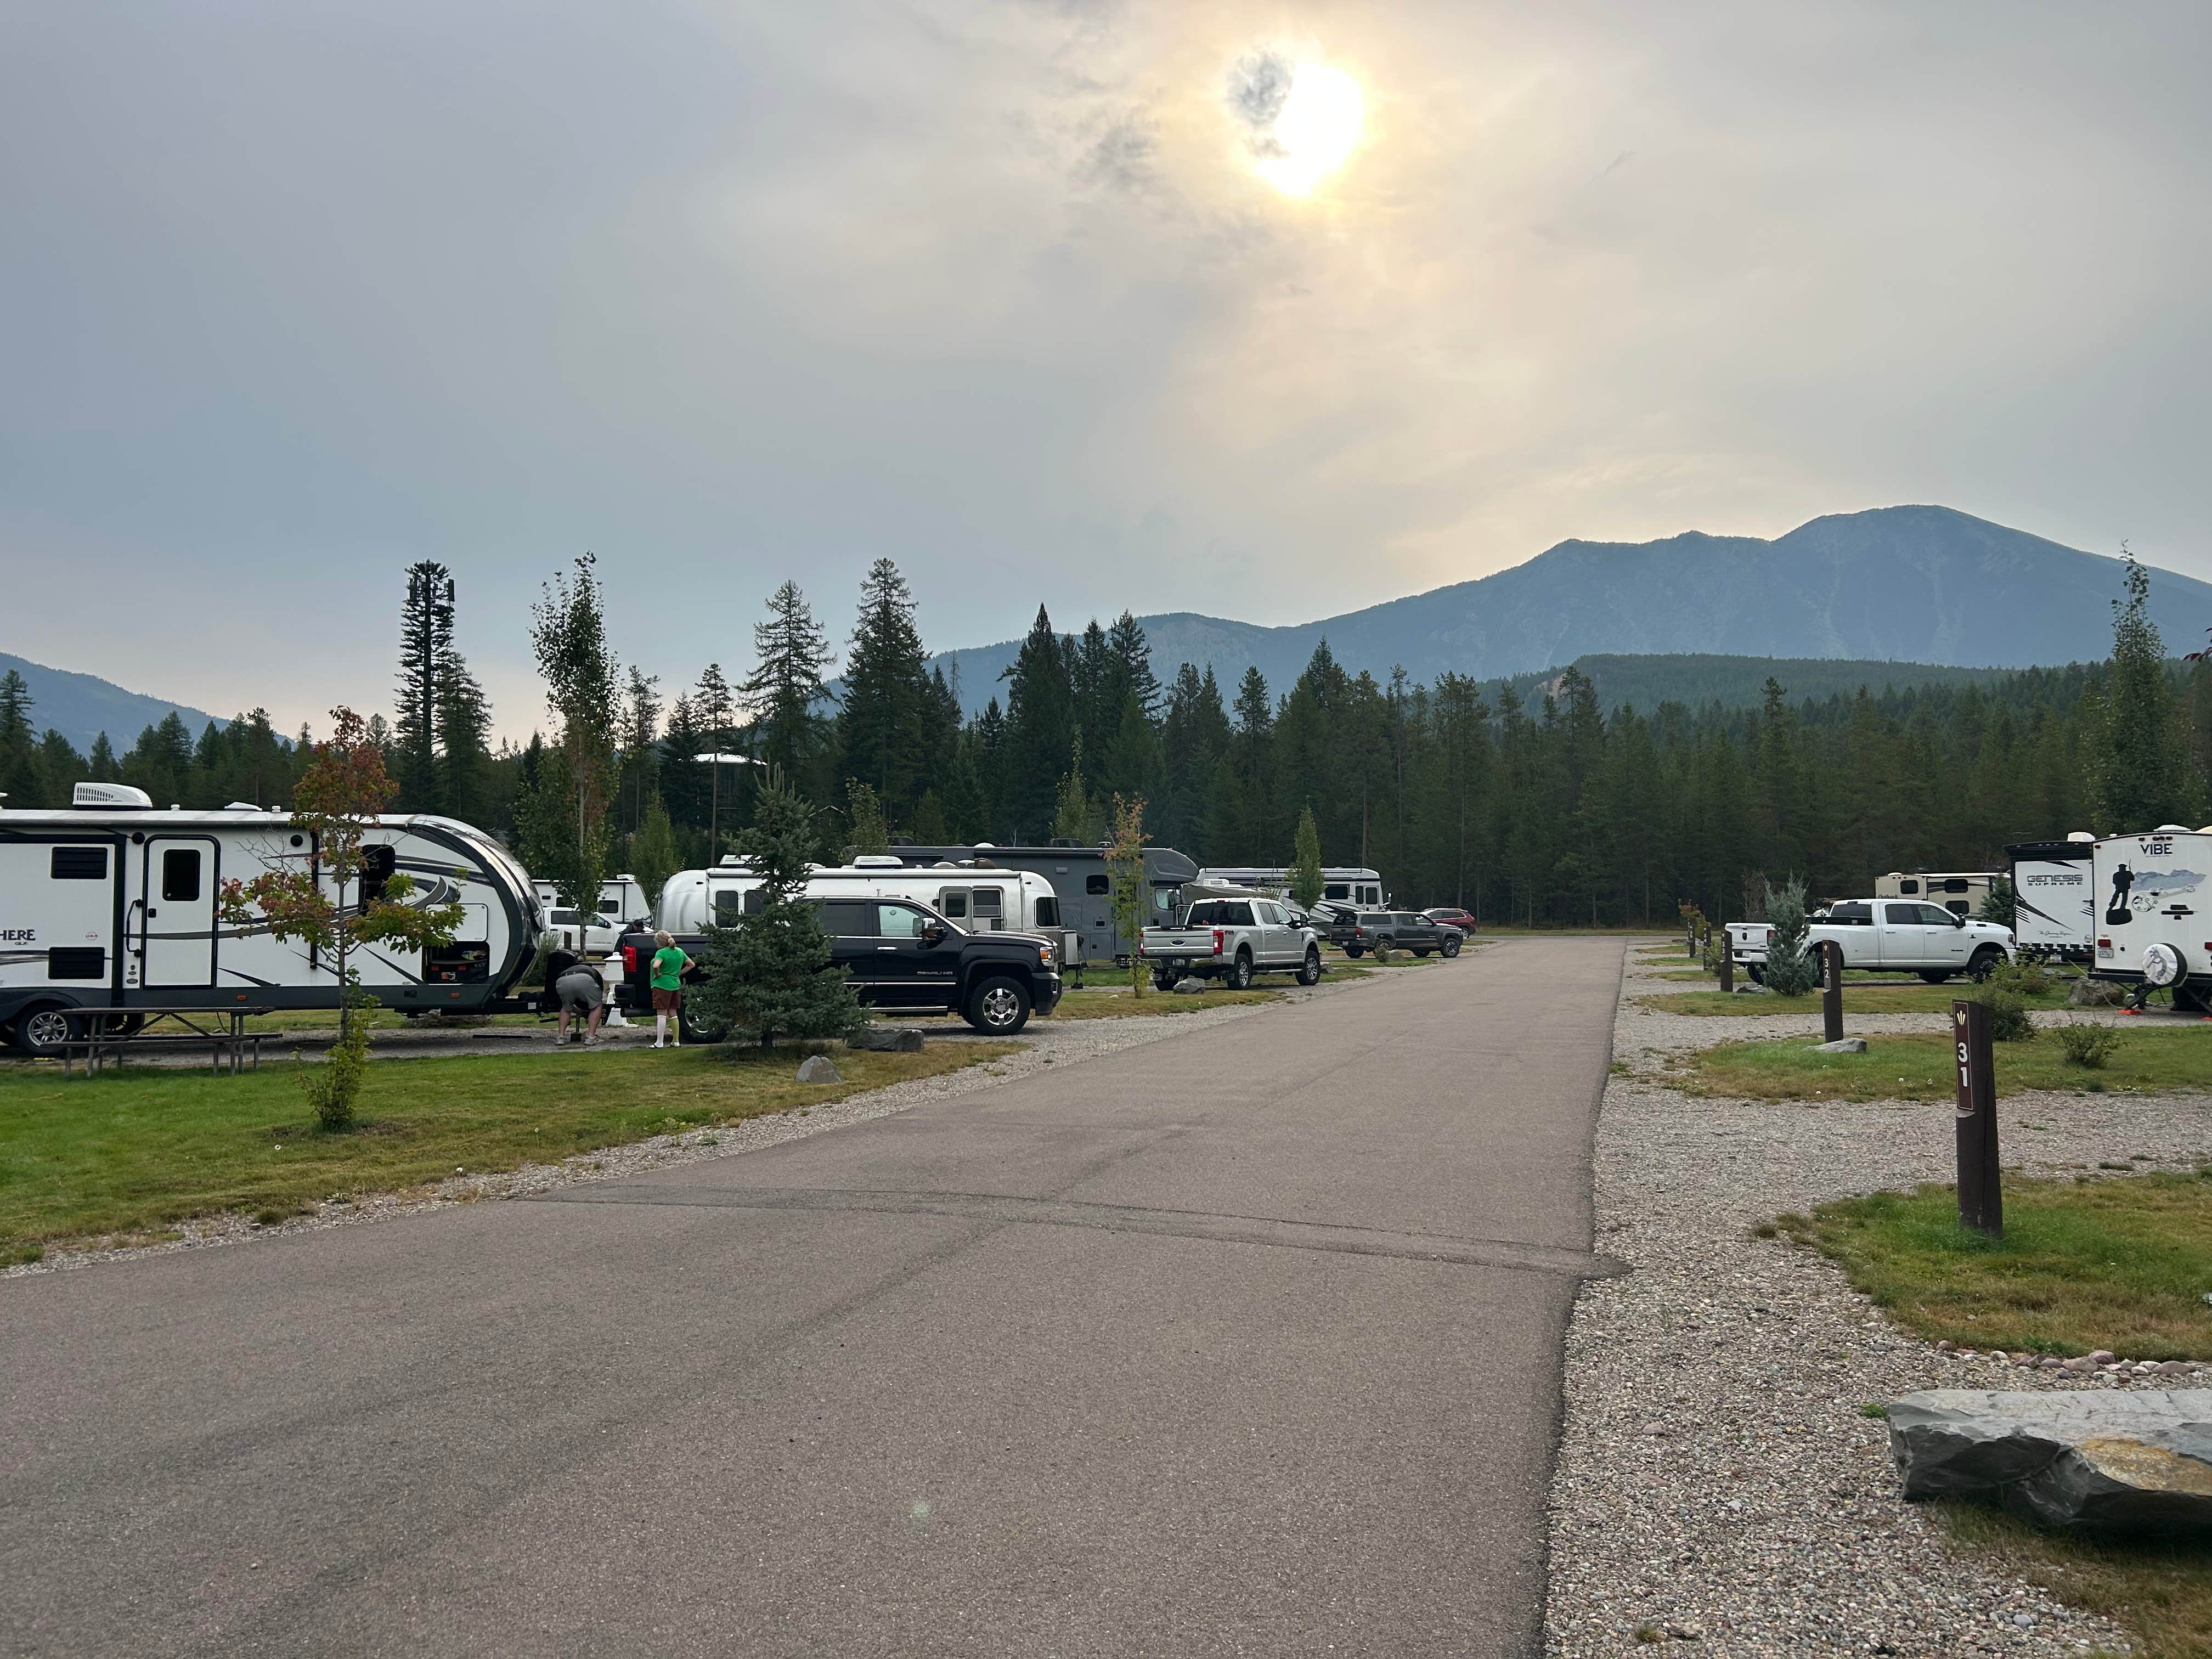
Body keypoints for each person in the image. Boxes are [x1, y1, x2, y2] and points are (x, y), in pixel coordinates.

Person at [649, 929, 690, 1048]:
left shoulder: (661, 953)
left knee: (661, 1013)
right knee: (673, 1013)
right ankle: (676, 1041)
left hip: (662, 985)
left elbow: (656, 966)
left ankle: (659, 1042)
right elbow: (691, 964)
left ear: (659, 942)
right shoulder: (680, 952)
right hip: (675, 984)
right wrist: (679, 973)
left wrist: (657, 974)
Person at [555, 955, 605, 1045]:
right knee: (597, 1006)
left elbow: (571, 1004)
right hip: (585, 979)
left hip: (562, 980)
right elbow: (599, 994)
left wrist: (577, 1010)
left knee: (566, 1008)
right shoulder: (594, 972)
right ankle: (591, 1037)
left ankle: (560, 1037)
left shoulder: (571, 968)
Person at [597, 950, 629, 1028]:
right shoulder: (622, 970)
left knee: (611, 998)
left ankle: (609, 1020)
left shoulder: (608, 972)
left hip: (613, 987)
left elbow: (604, 976)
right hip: (618, 986)